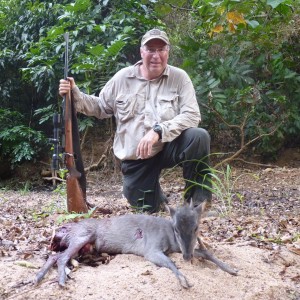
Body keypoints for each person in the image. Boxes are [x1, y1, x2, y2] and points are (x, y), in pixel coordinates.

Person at [59, 28, 211, 213]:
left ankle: (196, 205)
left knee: (198, 137)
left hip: (168, 145)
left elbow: (192, 115)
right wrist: (74, 93)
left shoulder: (179, 78)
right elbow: (100, 107)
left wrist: (158, 131)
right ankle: (157, 198)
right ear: (141, 52)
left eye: (161, 50)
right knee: (148, 208)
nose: (156, 55)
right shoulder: (123, 77)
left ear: (168, 52)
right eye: (150, 50)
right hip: (137, 158)